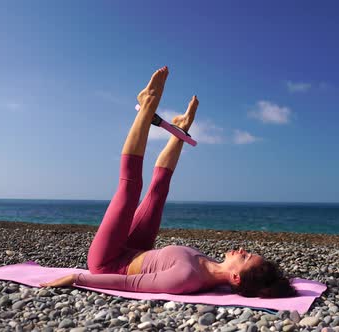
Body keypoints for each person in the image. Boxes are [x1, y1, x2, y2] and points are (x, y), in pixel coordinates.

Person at [40, 67, 297, 298]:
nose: (242, 250)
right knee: (158, 192)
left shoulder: (186, 280)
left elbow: (131, 286)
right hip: (135, 250)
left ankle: (148, 104)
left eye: (245, 257)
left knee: (131, 187)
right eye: (247, 252)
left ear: (235, 277)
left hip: (108, 260)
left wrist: (78, 278)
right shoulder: (210, 267)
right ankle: (180, 132)